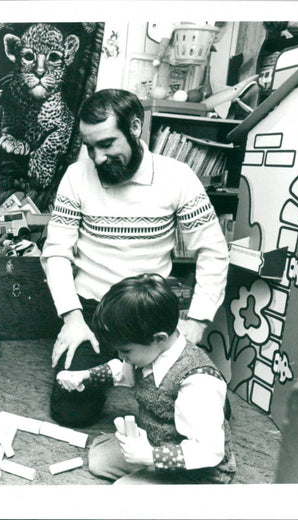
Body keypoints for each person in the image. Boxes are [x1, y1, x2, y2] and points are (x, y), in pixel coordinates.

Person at [40, 88, 229, 426]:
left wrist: (198, 321)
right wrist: (71, 319)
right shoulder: (75, 176)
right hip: (92, 311)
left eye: (107, 143)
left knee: (210, 416)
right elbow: (55, 252)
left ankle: (137, 370)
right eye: (89, 147)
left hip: (148, 313)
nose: (97, 158)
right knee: (71, 413)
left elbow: (213, 251)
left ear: (136, 127)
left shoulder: (178, 177)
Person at [56, 273, 236, 484]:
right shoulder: (149, 352)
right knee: (99, 459)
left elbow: (208, 451)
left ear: (159, 338)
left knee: (123, 492)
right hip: (156, 442)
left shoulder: (197, 382)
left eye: (126, 351)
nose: (122, 357)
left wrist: (151, 456)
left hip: (198, 471)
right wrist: (85, 375)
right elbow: (122, 372)